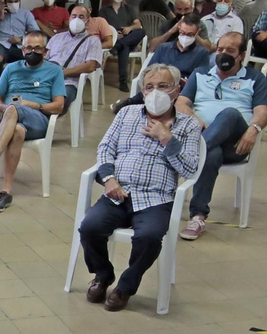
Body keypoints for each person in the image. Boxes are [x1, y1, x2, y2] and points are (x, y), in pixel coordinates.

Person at [78, 65, 204, 313]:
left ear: (176, 90)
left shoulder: (189, 126)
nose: (155, 92)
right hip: (117, 192)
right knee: (90, 227)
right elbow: (105, 148)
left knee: (149, 237)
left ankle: (125, 287)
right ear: (142, 91)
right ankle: (103, 276)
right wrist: (109, 178)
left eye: (163, 86)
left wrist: (167, 138)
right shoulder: (127, 114)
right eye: (149, 87)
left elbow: (190, 169)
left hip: (156, 198)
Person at [176, 33, 267, 240]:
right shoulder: (200, 74)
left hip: (236, 144)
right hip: (204, 139)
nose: (223, 54)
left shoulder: (254, 77)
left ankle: (189, 157)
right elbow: (181, 104)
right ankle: (198, 216)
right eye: (220, 50)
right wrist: (195, 119)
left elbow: (262, 112)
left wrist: (253, 130)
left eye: (230, 51)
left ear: (241, 55)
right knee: (211, 153)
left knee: (229, 113)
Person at [0, 31, 65, 213]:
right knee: (18, 131)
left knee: (15, 110)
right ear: (23, 50)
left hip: (38, 119)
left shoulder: (54, 70)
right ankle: (6, 191)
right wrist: (7, 109)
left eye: (38, 48)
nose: (33, 51)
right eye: (29, 47)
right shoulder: (11, 68)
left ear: (45, 51)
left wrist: (32, 105)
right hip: (10, 119)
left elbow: (59, 106)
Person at [114, 14, 212, 113]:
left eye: (190, 34)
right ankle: (130, 105)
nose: (185, 37)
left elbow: (201, 79)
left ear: (197, 33)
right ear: (178, 29)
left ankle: (132, 103)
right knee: (156, 86)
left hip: (183, 91)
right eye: (183, 33)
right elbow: (150, 71)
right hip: (160, 85)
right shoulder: (164, 48)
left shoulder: (202, 53)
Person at [45, 4, 104, 115]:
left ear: (88, 21)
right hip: (47, 79)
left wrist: (62, 73)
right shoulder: (56, 37)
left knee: (58, 104)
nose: (77, 19)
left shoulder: (93, 41)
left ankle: (41, 123)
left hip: (69, 83)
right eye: (74, 16)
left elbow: (90, 66)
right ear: (69, 19)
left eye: (81, 17)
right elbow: (44, 59)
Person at [0, 0, 38, 88]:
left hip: (20, 47)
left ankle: (29, 89)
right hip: (0, 45)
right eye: (10, 2)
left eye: (16, 1)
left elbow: (36, 34)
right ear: (5, 2)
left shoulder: (26, 14)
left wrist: (21, 39)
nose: (13, 4)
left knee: (34, 57)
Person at [98, 0, 145, 91]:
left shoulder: (128, 8)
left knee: (142, 32)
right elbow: (102, 26)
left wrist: (129, 28)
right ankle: (123, 81)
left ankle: (118, 46)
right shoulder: (104, 10)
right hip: (114, 38)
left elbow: (138, 25)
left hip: (128, 37)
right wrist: (114, 34)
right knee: (124, 47)